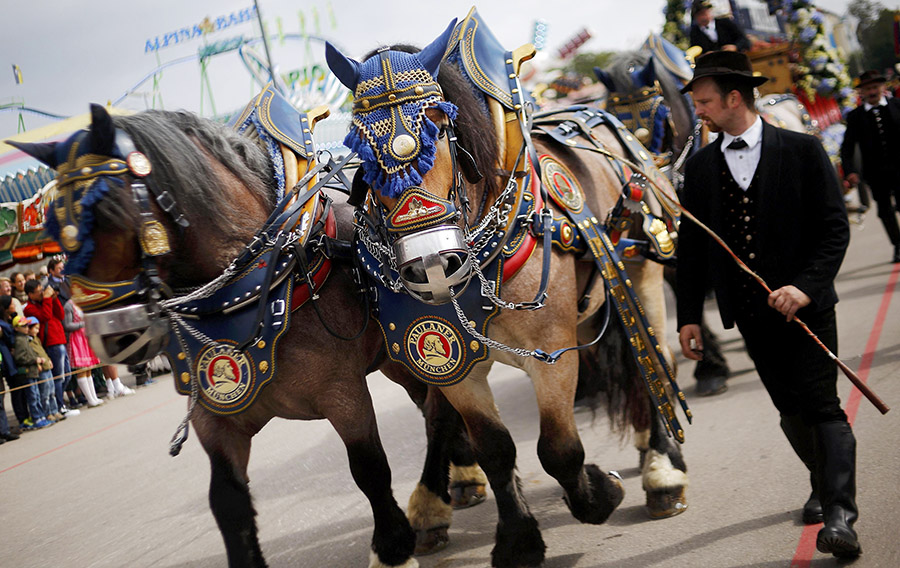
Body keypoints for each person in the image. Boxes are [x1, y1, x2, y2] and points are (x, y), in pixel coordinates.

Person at [676, 51, 860, 558]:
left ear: (734, 97)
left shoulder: (802, 150)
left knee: (823, 406)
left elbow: (833, 230)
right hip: (752, 314)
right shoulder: (700, 168)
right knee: (789, 409)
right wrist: (689, 315)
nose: (701, 111)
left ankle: (841, 514)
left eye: (706, 101)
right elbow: (692, 249)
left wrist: (805, 286)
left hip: (809, 308)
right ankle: (821, 481)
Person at [840, 69, 900, 263]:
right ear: (862, 92)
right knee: (884, 210)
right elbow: (847, 147)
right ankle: (897, 245)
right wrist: (850, 171)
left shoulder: (897, 106)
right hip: (876, 173)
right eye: (868, 89)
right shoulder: (856, 117)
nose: (872, 91)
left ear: (882, 87)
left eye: (875, 87)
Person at [23, 279, 72, 417]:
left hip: (60, 339)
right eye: (38, 292)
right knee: (58, 377)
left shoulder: (45, 301)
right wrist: (46, 299)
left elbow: (60, 315)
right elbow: (45, 316)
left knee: (66, 375)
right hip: (51, 342)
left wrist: (54, 298)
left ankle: (58, 403)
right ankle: (58, 406)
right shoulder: (29, 308)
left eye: (41, 290)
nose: (41, 294)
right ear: (30, 294)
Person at [11, 315, 53, 429]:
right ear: (16, 328)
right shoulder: (19, 340)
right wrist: (35, 360)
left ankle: (41, 416)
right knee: (33, 396)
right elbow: (20, 357)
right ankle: (37, 418)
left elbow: (31, 353)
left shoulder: (25, 338)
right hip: (28, 371)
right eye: (23, 326)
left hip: (33, 371)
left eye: (26, 325)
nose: (26, 328)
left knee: (37, 395)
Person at [63, 298, 104, 407]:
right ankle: (90, 399)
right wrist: (82, 324)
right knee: (82, 369)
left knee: (89, 369)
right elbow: (67, 325)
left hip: (85, 336)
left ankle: (94, 397)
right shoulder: (69, 305)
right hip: (77, 338)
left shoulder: (84, 302)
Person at [27, 318, 63, 422]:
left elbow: (42, 351)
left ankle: (55, 410)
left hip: (47, 366)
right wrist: (38, 362)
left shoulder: (36, 339)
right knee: (45, 392)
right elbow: (33, 354)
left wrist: (48, 359)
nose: (37, 331)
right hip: (41, 369)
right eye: (35, 328)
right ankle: (48, 413)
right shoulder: (28, 342)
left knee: (52, 391)